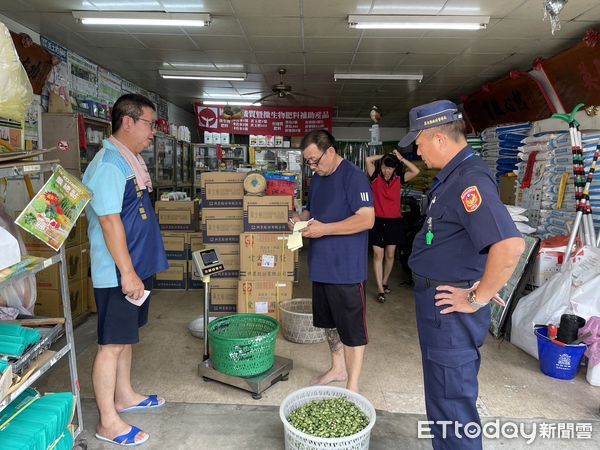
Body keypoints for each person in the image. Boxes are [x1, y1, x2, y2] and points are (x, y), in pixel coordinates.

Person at [399, 100, 525, 449]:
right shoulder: (453, 176)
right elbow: (470, 238)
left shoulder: (469, 179)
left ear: (438, 138)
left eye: (419, 143)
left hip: (450, 309)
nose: (417, 150)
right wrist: (485, 281)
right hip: (439, 302)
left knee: (451, 403)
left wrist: (478, 296)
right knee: (442, 400)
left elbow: (509, 245)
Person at [83, 93, 168, 447]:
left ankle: (125, 396)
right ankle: (108, 422)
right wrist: (128, 273)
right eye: (149, 124)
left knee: (127, 337)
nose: (153, 133)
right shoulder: (109, 165)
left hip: (135, 266)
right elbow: (109, 221)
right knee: (111, 344)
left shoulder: (129, 160)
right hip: (118, 273)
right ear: (128, 121)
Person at [291, 129, 375, 393]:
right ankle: (337, 368)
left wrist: (324, 229)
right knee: (328, 323)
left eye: (315, 160)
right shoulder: (317, 179)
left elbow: (366, 219)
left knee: (351, 328)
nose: (312, 166)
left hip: (346, 269)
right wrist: (299, 219)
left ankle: (353, 384)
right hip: (321, 266)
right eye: (308, 162)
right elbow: (311, 209)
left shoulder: (355, 177)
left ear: (330, 151)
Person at [365, 150, 420, 302]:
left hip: (394, 222)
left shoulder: (399, 179)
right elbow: (368, 159)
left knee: (390, 255)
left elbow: (416, 170)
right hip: (376, 221)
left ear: (395, 168)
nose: (386, 171)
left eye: (390, 168)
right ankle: (380, 290)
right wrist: (383, 156)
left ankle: (385, 281)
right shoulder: (375, 176)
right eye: (384, 167)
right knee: (378, 255)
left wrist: (401, 158)